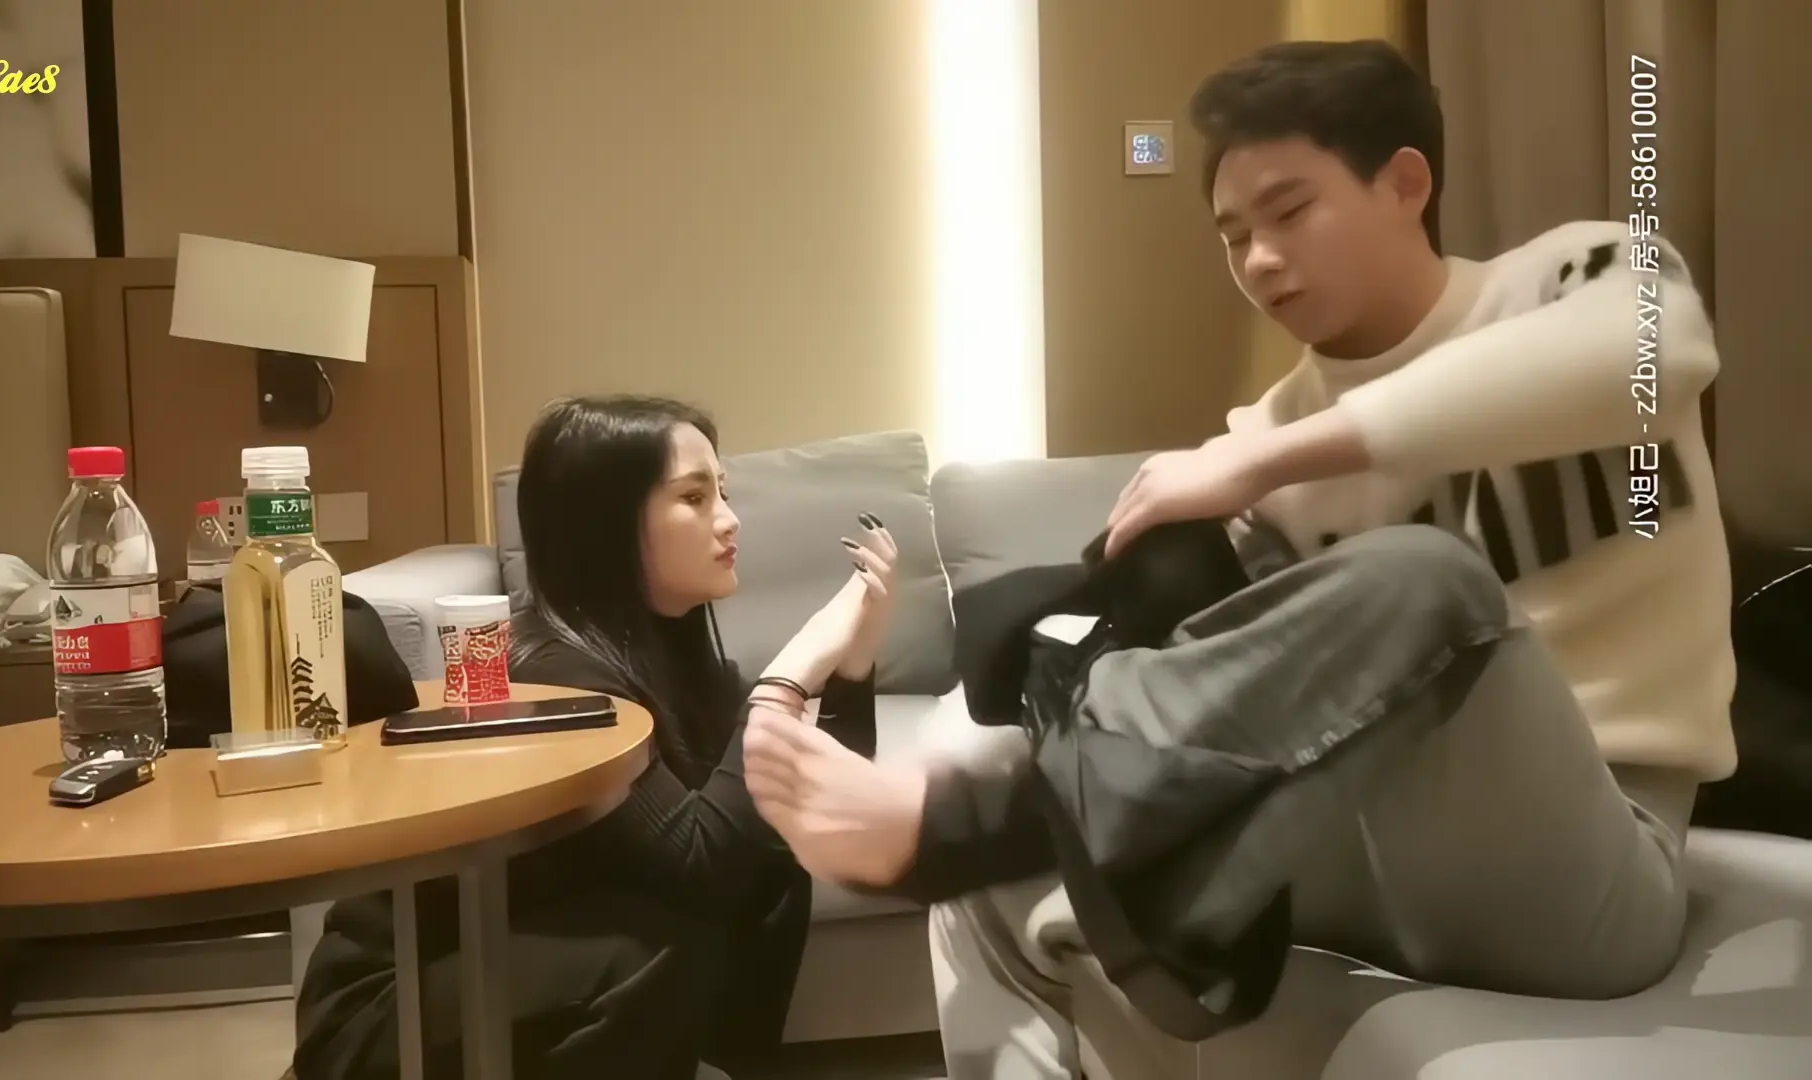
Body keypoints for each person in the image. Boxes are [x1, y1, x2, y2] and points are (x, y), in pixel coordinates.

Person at [741, 38, 1733, 1078]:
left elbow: (1659, 355)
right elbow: (1209, 701)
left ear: (1405, 183)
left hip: (1593, 860)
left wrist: (1259, 463)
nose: (1259, 259)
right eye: (1233, 236)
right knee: (992, 874)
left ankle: (974, 821)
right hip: (1380, 855)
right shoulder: (1262, 435)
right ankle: (978, 829)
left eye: (1290, 211)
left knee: (1426, 580)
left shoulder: (1577, 277)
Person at [293, 394, 900, 1080]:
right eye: (694, 497)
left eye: (723, 492)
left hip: (523, 973)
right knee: (660, 936)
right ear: (607, 523)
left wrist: (853, 661)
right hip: (393, 1007)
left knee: (774, 859)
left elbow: (817, 806)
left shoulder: (675, 655)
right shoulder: (551, 676)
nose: (730, 519)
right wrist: (789, 676)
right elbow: (701, 864)